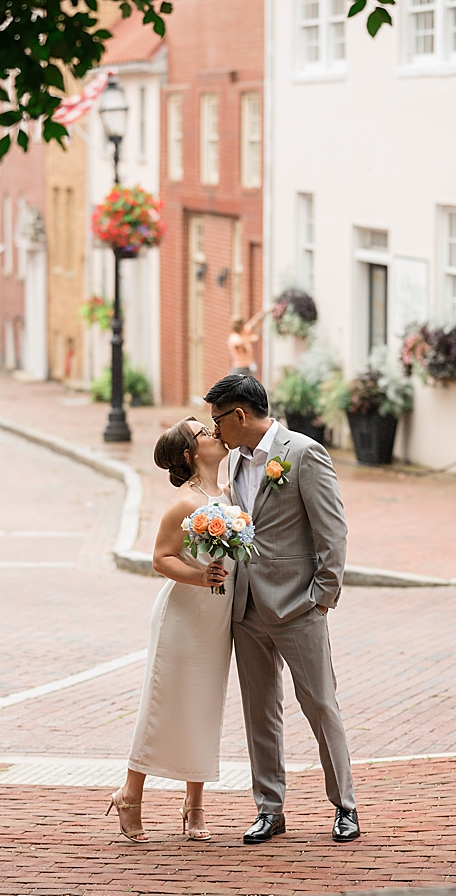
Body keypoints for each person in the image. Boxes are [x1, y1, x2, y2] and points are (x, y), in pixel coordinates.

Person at [204, 371, 360, 845]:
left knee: (319, 705)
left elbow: (332, 531)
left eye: (218, 421)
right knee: (259, 712)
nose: (214, 431)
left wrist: (322, 597)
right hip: (246, 608)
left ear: (240, 415)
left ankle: (345, 806)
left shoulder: (304, 453)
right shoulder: (231, 465)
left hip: (298, 607)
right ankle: (269, 810)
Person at [106, 418, 234, 843]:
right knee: (163, 704)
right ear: (189, 453)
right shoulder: (185, 504)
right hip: (182, 617)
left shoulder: (231, 495)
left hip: (218, 619)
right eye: (203, 432)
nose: (214, 433)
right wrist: (201, 577)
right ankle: (130, 794)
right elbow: (161, 558)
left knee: (205, 706)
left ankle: (194, 805)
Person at [228, 310, 267, 376]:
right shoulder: (233, 337)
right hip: (239, 368)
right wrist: (251, 338)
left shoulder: (244, 332)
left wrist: (266, 312)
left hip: (247, 367)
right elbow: (238, 342)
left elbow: (254, 321)